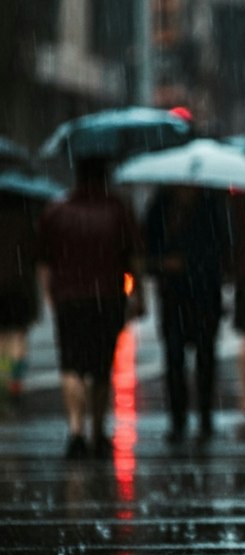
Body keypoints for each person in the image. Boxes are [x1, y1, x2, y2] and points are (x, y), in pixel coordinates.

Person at [36, 158, 142, 458]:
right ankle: (97, 430)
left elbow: (44, 259)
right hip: (106, 297)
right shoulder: (117, 210)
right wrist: (139, 294)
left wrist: (51, 293)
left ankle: (75, 429)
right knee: (100, 365)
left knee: (70, 364)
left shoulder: (57, 211)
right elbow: (132, 257)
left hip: (69, 298)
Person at [145, 185, 229, 444]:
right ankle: (178, 419)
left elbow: (224, 247)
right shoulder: (161, 205)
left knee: (205, 359)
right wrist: (161, 263)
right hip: (173, 296)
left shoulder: (212, 205)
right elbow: (147, 245)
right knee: (174, 361)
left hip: (204, 295)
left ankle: (204, 417)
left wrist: (193, 263)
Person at [0, 193, 41, 405]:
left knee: (2, 339)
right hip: (18, 287)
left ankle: (3, 380)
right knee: (17, 336)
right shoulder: (23, 223)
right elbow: (33, 256)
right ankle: (14, 381)